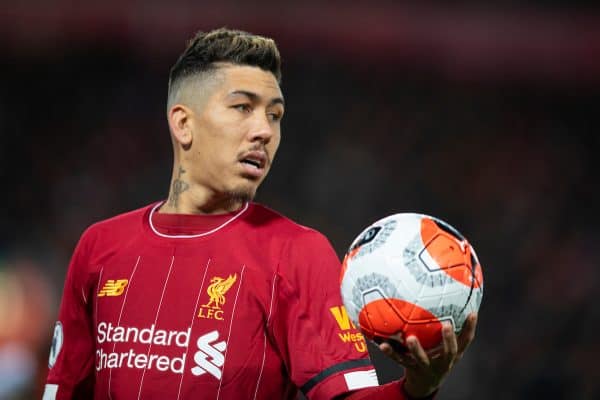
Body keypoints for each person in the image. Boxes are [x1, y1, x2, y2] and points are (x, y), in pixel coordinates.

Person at [43, 28, 477, 400]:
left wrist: (416, 389)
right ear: (183, 124)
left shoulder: (297, 255)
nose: (264, 131)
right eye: (242, 108)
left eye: (275, 114)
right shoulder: (100, 247)